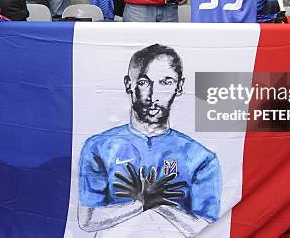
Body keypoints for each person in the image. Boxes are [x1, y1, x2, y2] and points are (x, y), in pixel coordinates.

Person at [78, 44, 221, 235]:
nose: (153, 95)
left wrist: (159, 204)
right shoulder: (98, 147)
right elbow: (87, 220)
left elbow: (209, 226)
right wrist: (141, 203)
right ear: (129, 84)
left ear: (179, 86)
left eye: (166, 82)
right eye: (145, 82)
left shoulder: (201, 157)